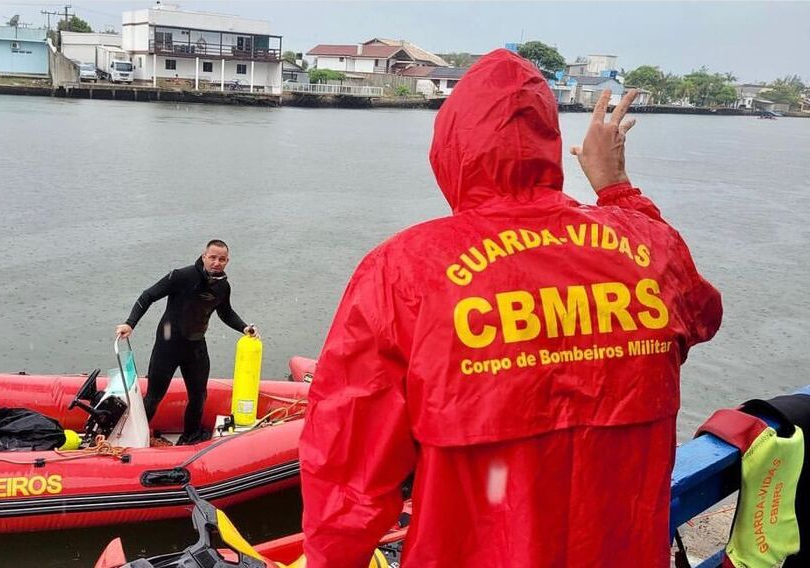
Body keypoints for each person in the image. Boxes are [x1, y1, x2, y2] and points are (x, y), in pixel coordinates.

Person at [299, 49, 722, 567]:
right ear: (548, 143)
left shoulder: (403, 271)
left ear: (451, 148)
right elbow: (701, 313)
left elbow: (348, 467)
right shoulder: (647, 248)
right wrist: (617, 190)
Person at [116, 240, 258, 445]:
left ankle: (189, 436)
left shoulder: (222, 286)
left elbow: (225, 312)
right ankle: (133, 439)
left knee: (199, 396)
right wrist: (130, 324)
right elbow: (148, 295)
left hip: (196, 346)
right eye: (213, 257)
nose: (217, 262)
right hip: (168, 345)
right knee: (155, 396)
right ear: (204, 256)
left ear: (227, 261)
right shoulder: (181, 276)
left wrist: (244, 328)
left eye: (222, 259)